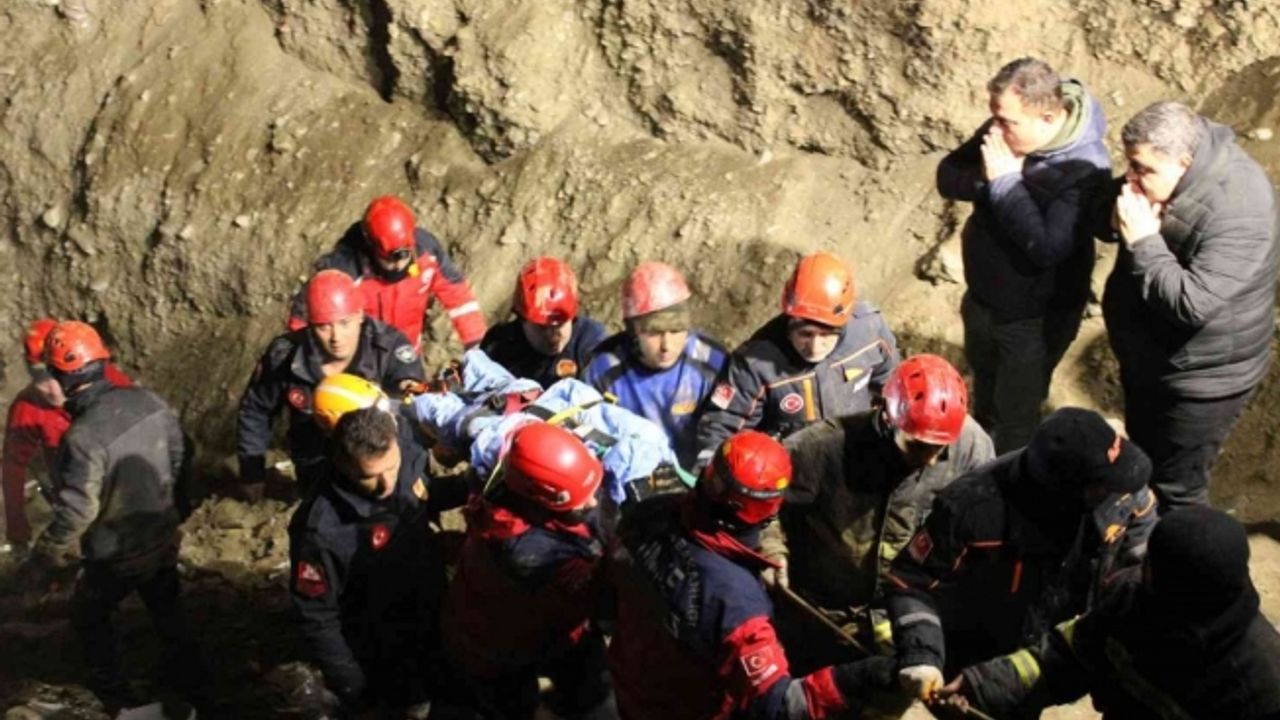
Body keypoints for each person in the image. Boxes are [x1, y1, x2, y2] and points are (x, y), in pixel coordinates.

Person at [604, 430, 899, 720]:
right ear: (771, 508)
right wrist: (861, 676)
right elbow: (779, 706)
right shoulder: (737, 603)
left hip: (631, 687)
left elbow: (605, 595)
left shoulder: (650, 511)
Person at [885, 407, 1158, 702]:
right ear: (1065, 490)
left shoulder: (1115, 481)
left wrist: (1128, 590)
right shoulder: (971, 511)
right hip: (975, 660)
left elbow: (1142, 532)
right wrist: (922, 654)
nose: (1116, 489)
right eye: (1102, 486)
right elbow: (911, 581)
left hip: (1052, 650)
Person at [1096, 101, 1280, 510]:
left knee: (1177, 487)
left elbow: (1193, 303)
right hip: (1151, 358)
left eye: (1142, 169)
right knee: (1143, 458)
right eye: (1130, 165)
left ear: (1184, 161)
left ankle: (1176, 546)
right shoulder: (1164, 173)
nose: (1131, 177)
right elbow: (1101, 212)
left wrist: (1143, 240)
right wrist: (1113, 216)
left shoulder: (1241, 209)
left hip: (1202, 382)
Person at [939, 506, 1280, 720]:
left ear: (1177, 591)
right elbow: (1065, 656)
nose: (1139, 568)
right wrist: (981, 685)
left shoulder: (1261, 687)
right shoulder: (1131, 599)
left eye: (1150, 566)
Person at [765, 354, 994, 671]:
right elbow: (761, 499)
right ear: (887, 417)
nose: (930, 460)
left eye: (939, 449)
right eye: (917, 446)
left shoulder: (971, 448)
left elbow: (983, 524)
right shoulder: (826, 447)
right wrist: (771, 550)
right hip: (822, 617)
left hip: (908, 618)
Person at [15, 322, 199, 713]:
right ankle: (192, 677)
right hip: (162, 535)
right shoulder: (148, 400)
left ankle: (118, 697)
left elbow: (79, 510)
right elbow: (183, 454)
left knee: (90, 616)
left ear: (61, 376)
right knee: (167, 607)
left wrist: (44, 555)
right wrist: (177, 510)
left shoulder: (83, 436)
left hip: (116, 553)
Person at [940, 57, 1111, 454]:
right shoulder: (1004, 130)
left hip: (1033, 320)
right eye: (995, 117)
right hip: (983, 300)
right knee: (984, 396)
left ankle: (1007, 480)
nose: (995, 130)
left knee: (1016, 419)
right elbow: (948, 176)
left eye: (1007, 122)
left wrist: (1006, 184)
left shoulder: (1085, 167)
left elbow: (1047, 247)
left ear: (1047, 117)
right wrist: (989, 181)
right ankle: (976, 464)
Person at [288, 379, 463, 717]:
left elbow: (426, 492)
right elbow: (316, 617)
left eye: (391, 468)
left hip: (435, 611)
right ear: (342, 463)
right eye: (370, 477)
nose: (387, 484)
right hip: (380, 643)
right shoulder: (321, 531)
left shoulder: (406, 453)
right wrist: (354, 687)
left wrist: (474, 486)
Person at [444, 421, 614, 719]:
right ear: (547, 499)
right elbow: (604, 601)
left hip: (522, 621)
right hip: (498, 648)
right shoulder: (530, 554)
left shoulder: (511, 484)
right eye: (581, 500)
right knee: (514, 706)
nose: (593, 501)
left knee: (586, 675)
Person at [695, 251, 899, 466]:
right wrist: (713, 476)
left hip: (857, 459)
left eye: (826, 335)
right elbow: (723, 430)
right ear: (790, 320)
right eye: (805, 334)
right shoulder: (755, 364)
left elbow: (895, 388)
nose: (815, 347)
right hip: (790, 472)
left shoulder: (870, 332)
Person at [238, 269, 425, 501]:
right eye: (324, 326)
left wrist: (412, 471)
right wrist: (252, 473)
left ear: (360, 315)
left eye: (345, 322)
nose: (336, 337)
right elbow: (256, 410)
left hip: (379, 461)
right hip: (317, 463)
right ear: (309, 325)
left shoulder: (387, 347)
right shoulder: (285, 356)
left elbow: (414, 408)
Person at [291, 195, 487, 351]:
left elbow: (458, 297)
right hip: (357, 365)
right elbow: (303, 320)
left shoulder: (427, 253)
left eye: (405, 257)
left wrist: (477, 348)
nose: (399, 266)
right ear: (372, 248)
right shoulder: (343, 271)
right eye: (390, 260)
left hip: (406, 358)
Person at [584, 261, 727, 469]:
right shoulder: (602, 371)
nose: (666, 346)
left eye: (676, 330)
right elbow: (586, 437)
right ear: (632, 331)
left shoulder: (711, 361)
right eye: (654, 333)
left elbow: (729, 427)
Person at [3, 319, 129, 552]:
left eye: (57, 376)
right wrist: (17, 529)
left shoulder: (111, 383)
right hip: (74, 487)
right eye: (40, 378)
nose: (52, 390)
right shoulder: (27, 409)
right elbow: (13, 468)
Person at [480, 256, 607, 388]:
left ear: (572, 318)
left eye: (559, 325)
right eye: (542, 327)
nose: (552, 334)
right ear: (522, 319)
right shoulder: (499, 345)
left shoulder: (589, 341)